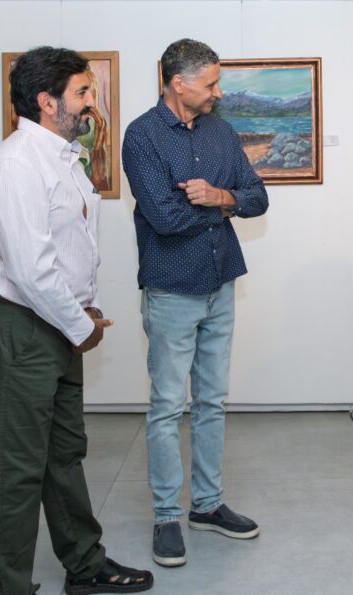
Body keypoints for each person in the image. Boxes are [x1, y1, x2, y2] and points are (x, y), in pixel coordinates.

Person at [0, 46, 153, 594]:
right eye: (82, 92)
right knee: (18, 468)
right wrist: (82, 327)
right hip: (20, 329)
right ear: (47, 102)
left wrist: (80, 313)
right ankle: (12, 586)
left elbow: (68, 251)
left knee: (64, 455)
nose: (91, 102)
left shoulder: (62, 159)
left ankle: (85, 565)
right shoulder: (16, 165)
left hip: (55, 325)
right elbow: (30, 271)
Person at [122, 38, 269, 568]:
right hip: (171, 288)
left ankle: (206, 505)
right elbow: (164, 218)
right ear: (177, 82)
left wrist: (219, 196)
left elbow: (257, 198)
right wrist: (223, 208)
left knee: (212, 401)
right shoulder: (141, 136)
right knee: (167, 406)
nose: (218, 92)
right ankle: (167, 515)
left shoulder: (220, 131)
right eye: (210, 83)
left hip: (220, 280)